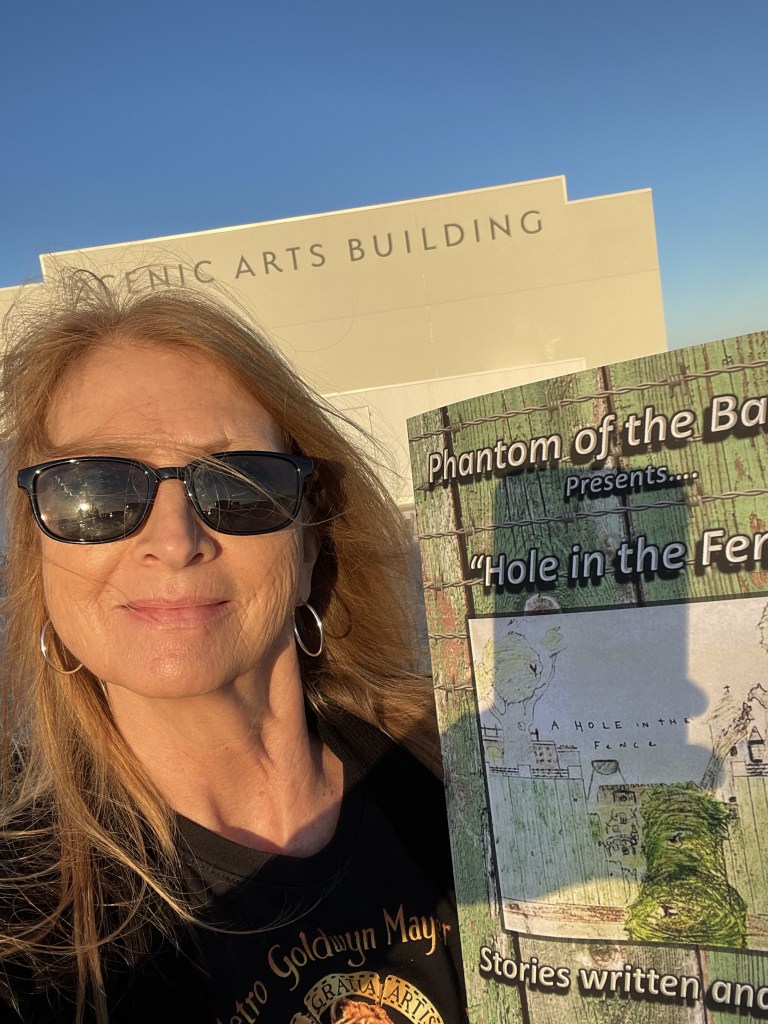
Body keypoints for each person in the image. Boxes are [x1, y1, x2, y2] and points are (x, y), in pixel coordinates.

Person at [0, 274, 467, 1023]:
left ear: (307, 545)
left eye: (239, 484)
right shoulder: (21, 925)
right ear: (41, 557)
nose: (174, 541)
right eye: (98, 490)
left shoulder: (465, 765)